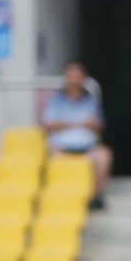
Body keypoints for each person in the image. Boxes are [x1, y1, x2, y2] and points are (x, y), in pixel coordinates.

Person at [41, 61, 113, 210]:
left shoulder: (91, 101)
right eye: (70, 76)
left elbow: (98, 125)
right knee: (53, 158)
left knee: (104, 157)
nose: (74, 80)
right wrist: (79, 123)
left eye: (77, 76)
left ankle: (96, 197)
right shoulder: (55, 100)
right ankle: (58, 200)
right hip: (62, 147)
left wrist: (66, 123)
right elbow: (48, 125)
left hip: (86, 147)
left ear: (83, 79)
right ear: (66, 78)